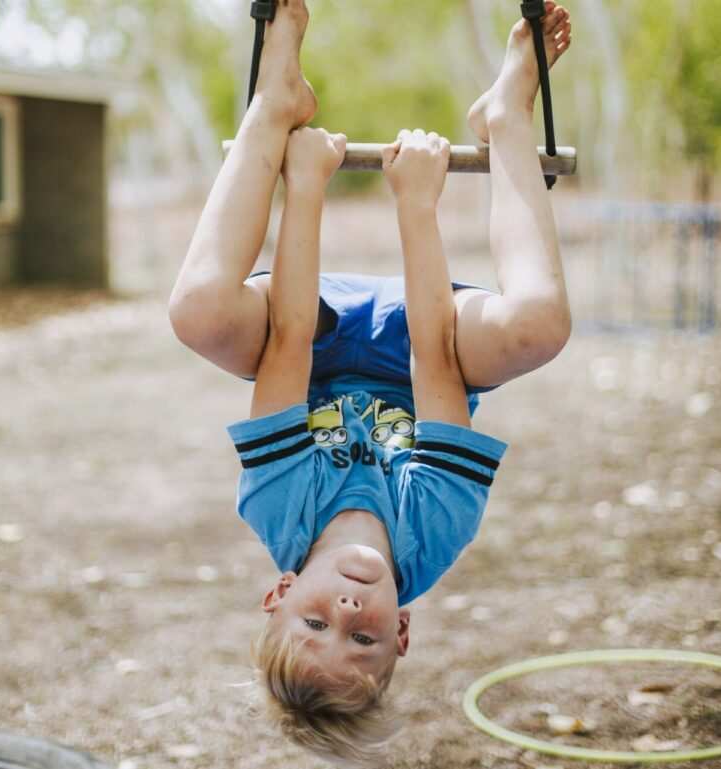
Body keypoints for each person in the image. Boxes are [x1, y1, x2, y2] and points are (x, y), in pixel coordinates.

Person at [169, 0, 572, 765]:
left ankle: (274, 101)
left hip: (308, 328)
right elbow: (436, 362)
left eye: (316, 623)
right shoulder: (436, 529)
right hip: (421, 340)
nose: (348, 609)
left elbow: (286, 338)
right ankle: (509, 116)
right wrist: (418, 204)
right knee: (540, 327)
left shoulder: (278, 505)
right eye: (364, 635)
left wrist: (307, 185)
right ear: (403, 628)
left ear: (278, 594)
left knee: (195, 313)